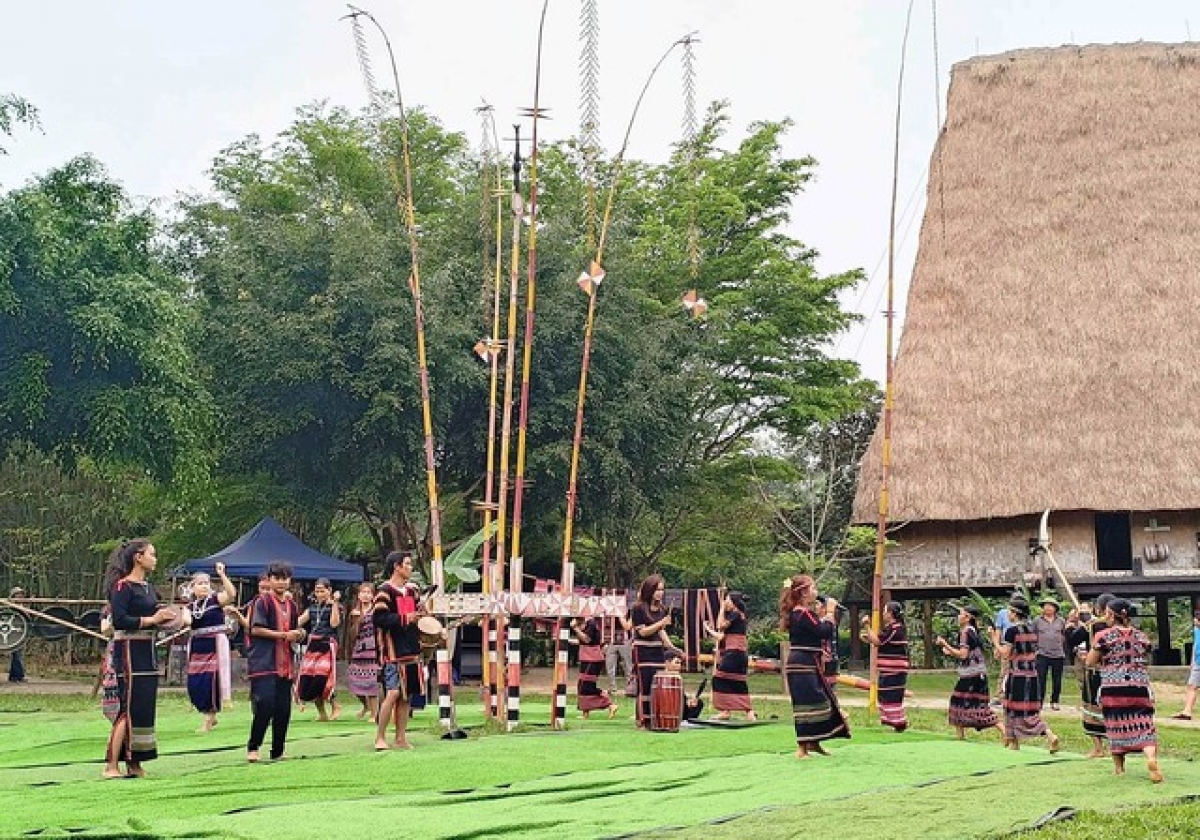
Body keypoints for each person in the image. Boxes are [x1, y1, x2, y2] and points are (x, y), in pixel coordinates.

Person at [102, 539, 177, 779]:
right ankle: (111, 765)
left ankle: (135, 763)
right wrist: (152, 620)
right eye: (152, 554)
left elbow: (154, 615)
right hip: (128, 652)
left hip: (147, 651)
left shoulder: (147, 587)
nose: (155, 559)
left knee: (144, 708)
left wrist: (169, 618)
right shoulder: (122, 587)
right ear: (138, 557)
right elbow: (120, 620)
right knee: (128, 707)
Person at [1087, 598, 1163, 783]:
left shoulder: (1103, 636)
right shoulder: (1142, 636)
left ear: (1111, 614)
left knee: (1115, 725)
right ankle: (1151, 758)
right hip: (1139, 686)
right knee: (1144, 725)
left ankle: (1119, 769)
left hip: (1114, 686)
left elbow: (1090, 662)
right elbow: (1144, 655)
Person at [781, 574, 850, 757]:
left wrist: (824, 616)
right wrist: (829, 613)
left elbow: (816, 631)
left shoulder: (804, 613)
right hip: (802, 664)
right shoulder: (801, 613)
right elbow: (823, 632)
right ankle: (802, 747)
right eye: (813, 588)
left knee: (819, 701)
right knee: (806, 703)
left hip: (808, 663)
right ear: (804, 592)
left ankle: (814, 742)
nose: (816, 592)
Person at [246, 562, 304, 763]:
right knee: (265, 706)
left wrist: (299, 634)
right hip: (264, 663)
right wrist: (283, 635)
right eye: (277, 578)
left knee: (283, 710)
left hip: (286, 663)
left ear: (290, 581)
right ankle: (253, 747)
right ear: (269, 580)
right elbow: (255, 629)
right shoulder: (262, 602)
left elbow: (296, 631)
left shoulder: (292, 605)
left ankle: (278, 750)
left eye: (285, 578)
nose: (281, 582)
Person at [991, 595, 1060, 753]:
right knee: (1029, 710)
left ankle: (1018, 741)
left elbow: (1005, 654)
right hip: (1032, 674)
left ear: (1015, 613)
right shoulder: (1032, 630)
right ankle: (1045, 735)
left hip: (1017, 675)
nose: (1008, 614)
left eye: (1010, 611)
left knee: (1012, 709)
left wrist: (995, 640)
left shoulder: (1012, 631)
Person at [374, 550, 425, 750]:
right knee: (393, 692)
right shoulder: (384, 591)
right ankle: (380, 737)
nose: (410, 568)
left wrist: (421, 616)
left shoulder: (412, 591)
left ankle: (401, 737)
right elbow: (379, 619)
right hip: (392, 649)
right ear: (397, 566)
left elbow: (417, 613)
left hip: (410, 647)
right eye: (408, 564)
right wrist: (406, 618)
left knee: (407, 694)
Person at [184, 563, 237, 732]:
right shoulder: (189, 607)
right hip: (198, 646)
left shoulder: (216, 600)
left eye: (206, 583)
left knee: (211, 680)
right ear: (192, 587)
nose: (204, 586)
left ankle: (209, 717)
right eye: (200, 583)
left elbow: (231, 594)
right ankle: (207, 713)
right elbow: (187, 622)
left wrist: (222, 574)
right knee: (195, 682)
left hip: (215, 644)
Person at [938, 605, 1003, 740]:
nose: (958, 616)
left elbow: (963, 655)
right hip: (979, 674)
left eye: (961, 614)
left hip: (970, 675)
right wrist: (950, 651)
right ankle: (961, 736)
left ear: (967, 618)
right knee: (975, 704)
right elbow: (969, 654)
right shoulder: (973, 631)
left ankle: (1002, 730)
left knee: (958, 701)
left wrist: (945, 644)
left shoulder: (965, 632)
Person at [630, 574, 679, 729]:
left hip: (657, 650)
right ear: (649, 590)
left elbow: (661, 631)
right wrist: (661, 624)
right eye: (657, 589)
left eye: (662, 590)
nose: (660, 593)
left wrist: (671, 647)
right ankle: (642, 720)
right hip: (642, 650)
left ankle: (654, 716)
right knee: (644, 685)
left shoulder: (662, 609)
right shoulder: (638, 608)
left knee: (656, 684)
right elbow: (643, 632)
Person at [1066, 593, 1112, 757]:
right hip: (1117, 673)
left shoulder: (1093, 625)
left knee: (1091, 707)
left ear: (1099, 608)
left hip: (1096, 672)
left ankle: (1098, 747)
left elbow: (1072, 639)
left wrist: (1071, 623)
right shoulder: (1123, 627)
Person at [297, 578, 343, 721]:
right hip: (313, 643)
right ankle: (322, 712)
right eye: (317, 591)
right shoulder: (312, 608)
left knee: (323, 676)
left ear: (329, 591)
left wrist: (335, 602)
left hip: (327, 643)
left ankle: (335, 705)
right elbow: (297, 622)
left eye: (322, 590)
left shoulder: (334, 606)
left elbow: (334, 623)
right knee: (310, 676)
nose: (319, 594)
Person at [706, 592, 756, 721]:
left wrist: (721, 608)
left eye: (727, 599)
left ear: (733, 602)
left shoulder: (736, 614)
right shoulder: (736, 616)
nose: (725, 601)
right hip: (737, 653)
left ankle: (728, 710)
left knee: (720, 677)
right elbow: (721, 635)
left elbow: (720, 626)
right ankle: (744, 711)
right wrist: (708, 629)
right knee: (736, 680)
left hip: (735, 652)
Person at [861, 601, 909, 732]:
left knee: (891, 695)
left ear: (891, 614)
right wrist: (869, 637)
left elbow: (877, 641)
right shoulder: (893, 628)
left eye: (885, 611)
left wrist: (867, 626)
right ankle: (896, 722)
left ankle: (899, 723)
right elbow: (879, 640)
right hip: (889, 670)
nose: (883, 614)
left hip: (894, 670)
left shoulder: (895, 629)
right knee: (886, 694)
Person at [571, 616, 619, 719]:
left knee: (587, 686)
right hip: (586, 657)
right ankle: (585, 712)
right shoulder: (583, 623)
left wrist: (575, 628)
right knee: (582, 685)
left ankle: (609, 704)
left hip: (593, 659)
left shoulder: (591, 623)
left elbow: (587, 639)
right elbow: (584, 640)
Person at [346, 582, 380, 722]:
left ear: (373, 595)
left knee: (371, 683)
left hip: (373, 650)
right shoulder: (354, 612)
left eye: (368, 592)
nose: (365, 595)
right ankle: (365, 706)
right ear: (359, 595)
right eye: (363, 592)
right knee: (355, 682)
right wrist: (355, 620)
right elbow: (351, 635)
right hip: (359, 650)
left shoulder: (376, 611)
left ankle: (374, 713)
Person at [1033, 597, 1067, 710]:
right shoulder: (1037, 620)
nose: (1047, 608)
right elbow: (1033, 636)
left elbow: (1064, 635)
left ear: (1055, 608)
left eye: (1050, 605)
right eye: (1045, 605)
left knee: (1057, 679)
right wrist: (1035, 650)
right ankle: (1040, 701)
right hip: (1042, 654)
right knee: (1040, 679)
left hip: (1058, 654)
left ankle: (1055, 701)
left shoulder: (1061, 621)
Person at [1172, 607, 1200, 721]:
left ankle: (1187, 711)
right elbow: (1195, 645)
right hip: (1198, 662)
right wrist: (1192, 661)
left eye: (1196, 619)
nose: (1194, 621)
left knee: (1192, 686)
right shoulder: (1196, 630)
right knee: (1192, 686)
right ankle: (1187, 711)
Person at [604, 614, 635, 696]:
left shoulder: (628, 610)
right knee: (609, 665)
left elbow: (629, 626)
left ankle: (630, 688)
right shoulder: (608, 609)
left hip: (625, 640)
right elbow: (603, 624)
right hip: (611, 641)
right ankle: (612, 688)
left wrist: (632, 640)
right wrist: (604, 642)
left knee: (628, 666)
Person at [992, 603, 1013, 705]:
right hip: (1006, 644)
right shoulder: (1003, 613)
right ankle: (999, 696)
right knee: (1004, 671)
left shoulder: (1023, 614)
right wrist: (997, 646)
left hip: (1019, 645)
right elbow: (998, 630)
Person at [7, 586, 27, 683]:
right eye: (18, 594)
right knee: (16, 654)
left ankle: (15, 676)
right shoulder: (10, 606)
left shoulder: (23, 606)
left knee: (19, 654)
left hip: (22, 632)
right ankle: (17, 676)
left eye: (21, 594)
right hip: (13, 634)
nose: (20, 596)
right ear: (14, 595)